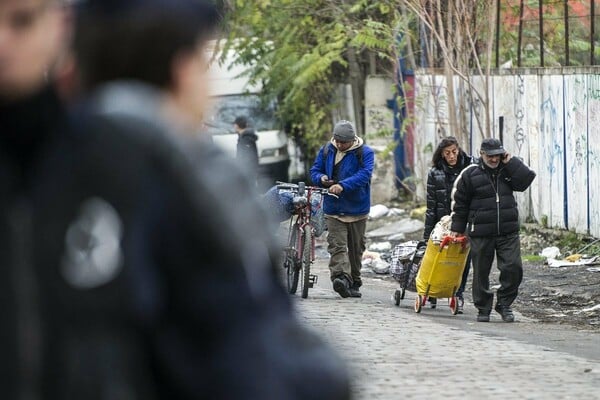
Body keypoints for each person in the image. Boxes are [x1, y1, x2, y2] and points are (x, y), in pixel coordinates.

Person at [0, 0, 350, 398]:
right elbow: (249, 355)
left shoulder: (97, 161)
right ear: (183, 70)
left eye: (21, 21)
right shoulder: (172, 178)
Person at [450, 138, 536, 323]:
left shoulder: (508, 170)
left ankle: (504, 304)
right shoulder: (470, 174)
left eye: (497, 155)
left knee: (513, 268)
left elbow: (526, 180)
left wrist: (511, 161)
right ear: (481, 154)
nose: (494, 159)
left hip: (507, 230)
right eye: (490, 156)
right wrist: (457, 229)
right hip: (480, 231)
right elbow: (461, 204)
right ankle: (483, 307)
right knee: (481, 272)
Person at [310, 120, 375, 299]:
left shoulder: (365, 153)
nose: (340, 145)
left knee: (356, 248)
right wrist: (321, 178)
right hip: (333, 208)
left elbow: (364, 175)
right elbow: (315, 170)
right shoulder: (327, 150)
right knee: (337, 246)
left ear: (352, 140)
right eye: (337, 141)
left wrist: (343, 185)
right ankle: (340, 278)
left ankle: (354, 281)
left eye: (343, 143)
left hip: (357, 208)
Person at [423, 136, 474, 313]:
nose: (451, 156)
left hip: (464, 220)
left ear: (459, 150)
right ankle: (434, 290)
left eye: (454, 152)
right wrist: (427, 232)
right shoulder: (435, 172)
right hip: (442, 222)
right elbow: (431, 204)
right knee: (438, 256)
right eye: (447, 153)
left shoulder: (469, 168)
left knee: (463, 259)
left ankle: (457, 294)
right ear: (442, 154)